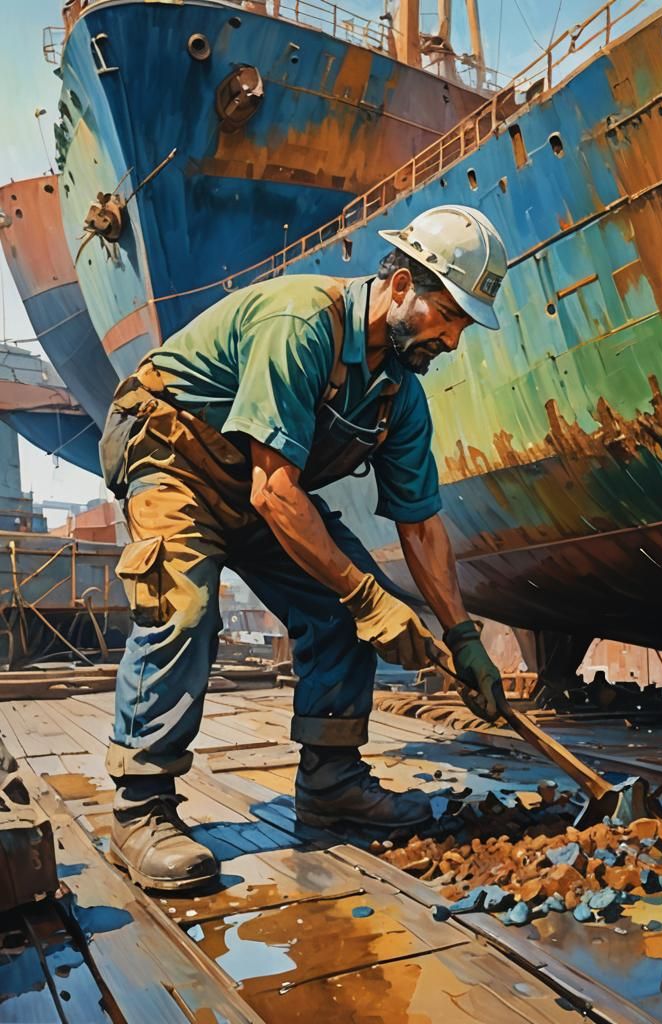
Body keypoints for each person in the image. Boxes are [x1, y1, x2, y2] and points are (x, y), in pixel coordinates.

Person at [98, 205, 508, 891]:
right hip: (175, 453)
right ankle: (142, 809)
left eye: (464, 326)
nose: (453, 340)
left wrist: (463, 637)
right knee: (185, 608)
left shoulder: (398, 396)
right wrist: (368, 595)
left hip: (258, 480)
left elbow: (421, 527)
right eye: (449, 316)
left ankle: (332, 781)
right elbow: (274, 493)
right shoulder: (302, 323)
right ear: (402, 283)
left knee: (343, 608)